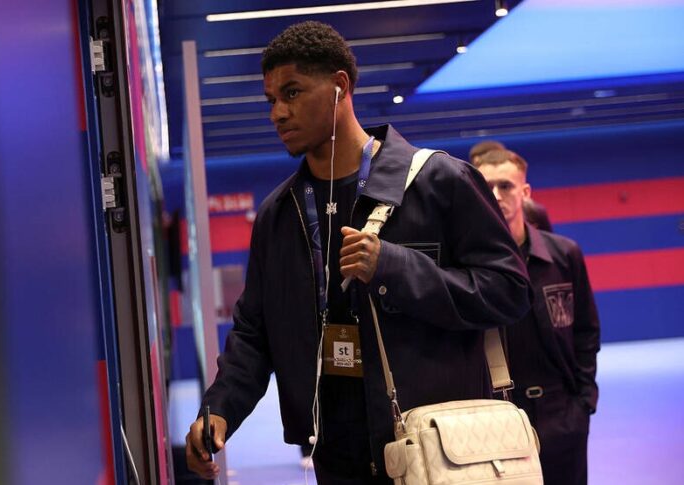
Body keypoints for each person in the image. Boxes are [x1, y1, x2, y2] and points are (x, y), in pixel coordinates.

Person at [186, 21, 531, 484]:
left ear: (340, 87)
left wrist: (394, 266)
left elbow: (510, 291)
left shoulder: (440, 182)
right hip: (337, 455)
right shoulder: (279, 215)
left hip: (437, 449)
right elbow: (254, 331)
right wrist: (219, 408)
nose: (278, 114)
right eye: (271, 100)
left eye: (292, 93)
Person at [474, 149, 600, 485]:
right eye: (487, 187)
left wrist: (583, 401)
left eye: (505, 186)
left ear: (525, 192)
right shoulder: (467, 263)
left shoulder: (564, 254)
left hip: (563, 412)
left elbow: (586, 331)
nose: (496, 195)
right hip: (499, 415)